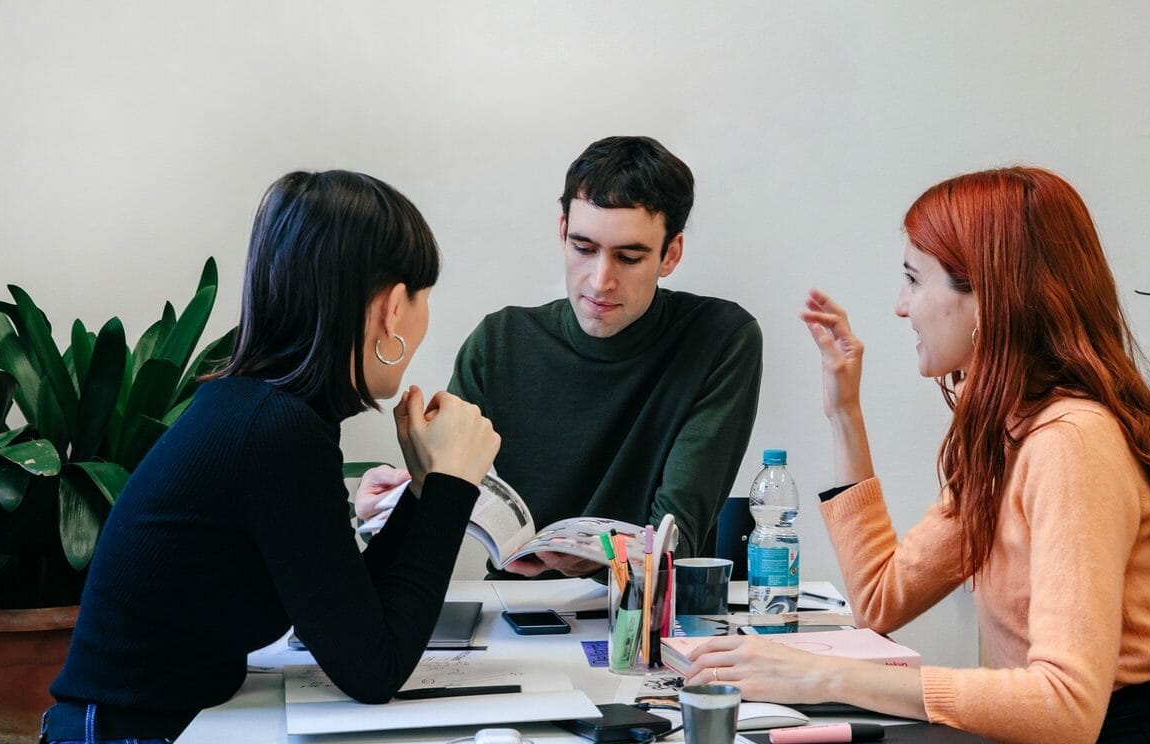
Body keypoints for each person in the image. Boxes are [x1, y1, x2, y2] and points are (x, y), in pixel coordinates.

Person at [683, 167, 1150, 744]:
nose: (900, 306)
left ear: (989, 298)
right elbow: (880, 600)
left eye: (915, 280)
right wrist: (846, 413)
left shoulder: (1071, 442)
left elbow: (1066, 707)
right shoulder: (1010, 435)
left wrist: (827, 676)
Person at [43, 170, 500, 743]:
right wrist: (453, 487)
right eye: (424, 297)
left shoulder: (264, 413)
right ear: (390, 309)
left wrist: (427, 488)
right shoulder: (276, 431)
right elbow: (374, 668)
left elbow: (354, 617)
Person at [357, 136, 763, 578]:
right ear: (562, 231)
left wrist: (605, 554)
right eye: (583, 248)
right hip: (520, 606)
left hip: (645, 611)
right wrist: (390, 505)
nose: (600, 280)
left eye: (629, 257)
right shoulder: (501, 341)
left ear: (671, 254)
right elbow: (439, 492)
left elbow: (674, 533)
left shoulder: (720, 338)